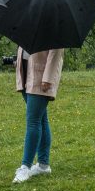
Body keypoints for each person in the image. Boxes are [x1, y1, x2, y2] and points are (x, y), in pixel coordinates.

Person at [12, 47, 65, 183]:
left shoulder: (54, 25)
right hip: (26, 71)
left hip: (41, 77)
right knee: (41, 119)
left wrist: (48, 77)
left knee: (33, 121)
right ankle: (43, 165)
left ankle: (26, 166)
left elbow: (56, 51)